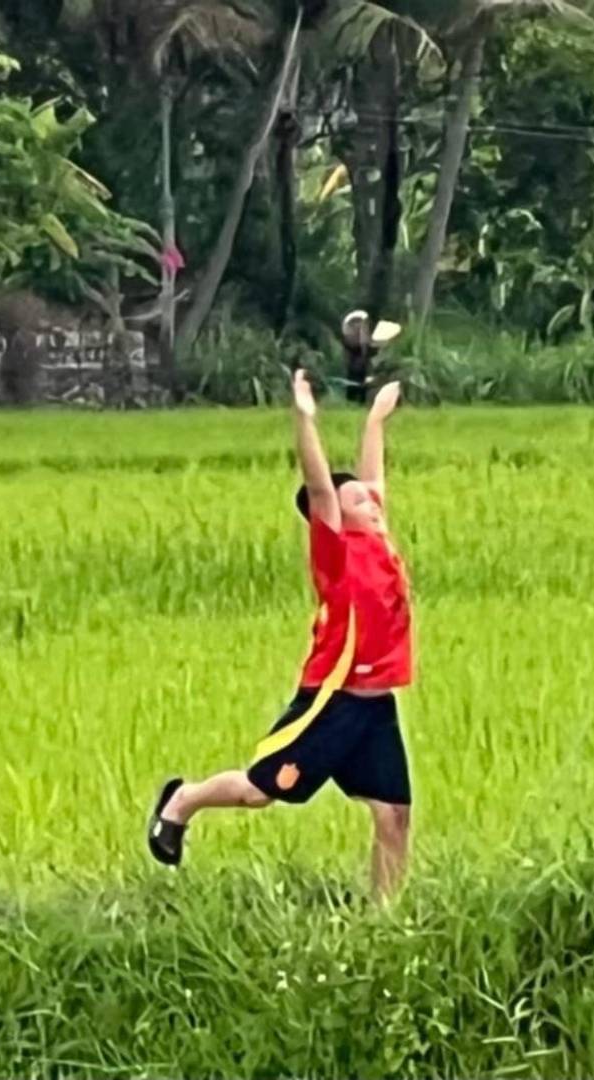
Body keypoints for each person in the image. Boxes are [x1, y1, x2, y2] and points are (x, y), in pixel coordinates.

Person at [146, 367, 415, 899]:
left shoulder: (379, 541)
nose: (373, 504)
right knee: (258, 792)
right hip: (333, 702)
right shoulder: (337, 555)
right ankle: (182, 800)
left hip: (376, 708)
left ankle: (385, 920)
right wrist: (305, 418)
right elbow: (321, 487)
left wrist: (376, 419)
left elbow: (372, 478)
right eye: (359, 502)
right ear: (335, 516)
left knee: (394, 815)